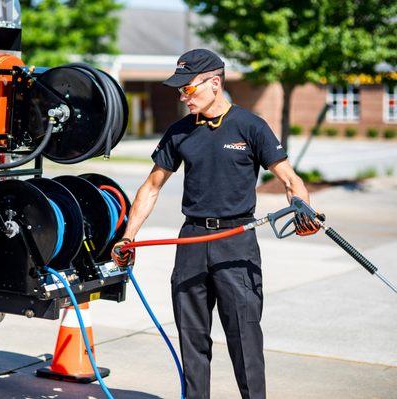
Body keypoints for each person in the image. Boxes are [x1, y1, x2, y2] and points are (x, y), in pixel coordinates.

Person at [112, 49, 318, 399]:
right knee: (192, 339)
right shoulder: (179, 132)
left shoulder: (250, 126)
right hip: (191, 241)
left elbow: (289, 179)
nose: (182, 97)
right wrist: (127, 238)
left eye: (187, 89)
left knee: (245, 339)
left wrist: (303, 208)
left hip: (236, 243)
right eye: (179, 90)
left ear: (214, 83)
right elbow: (151, 186)